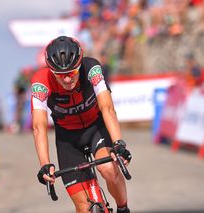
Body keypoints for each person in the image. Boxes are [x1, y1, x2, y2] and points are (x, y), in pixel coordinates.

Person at [31, 36, 132, 213]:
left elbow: (107, 108)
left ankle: (123, 209)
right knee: (84, 207)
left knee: (108, 168)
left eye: (72, 73)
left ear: (79, 66)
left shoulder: (92, 68)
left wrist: (118, 143)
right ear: (51, 71)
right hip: (68, 139)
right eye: (61, 75)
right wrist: (45, 164)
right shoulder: (40, 82)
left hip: (96, 128)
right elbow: (39, 126)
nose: (67, 79)